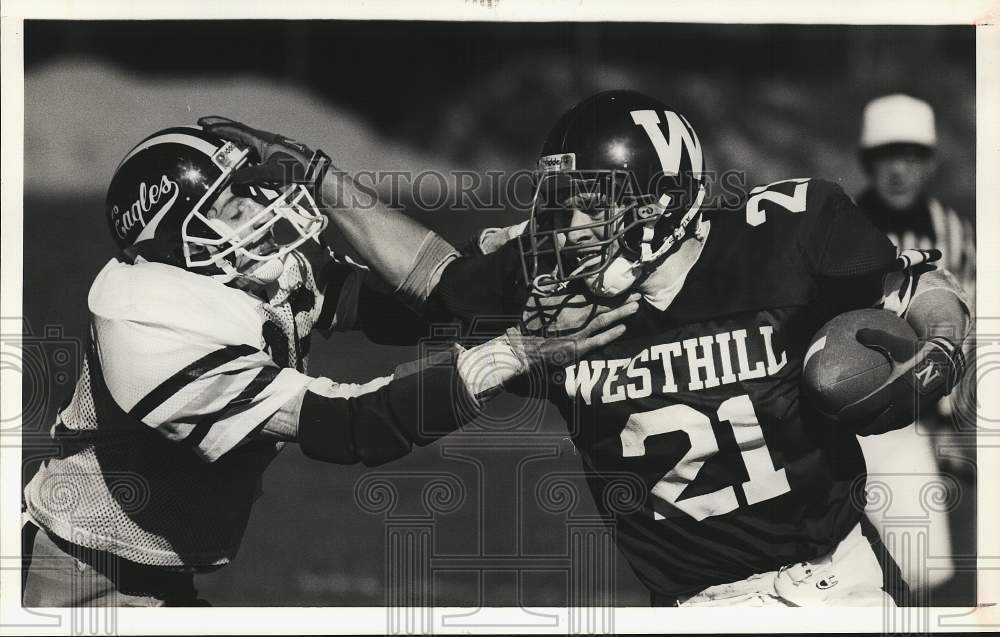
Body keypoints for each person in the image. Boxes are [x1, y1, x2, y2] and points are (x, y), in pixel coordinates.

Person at [222, 90, 971, 607]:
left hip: (834, 588)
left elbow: (924, 287)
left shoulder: (784, 237)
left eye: (591, 204)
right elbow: (432, 279)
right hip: (690, 604)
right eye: (560, 206)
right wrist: (318, 181)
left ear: (661, 198)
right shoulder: (557, 300)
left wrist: (940, 346)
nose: (570, 228)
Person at [21, 126, 634, 607]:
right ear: (176, 237)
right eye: (231, 204)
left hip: (148, 572)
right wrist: (514, 353)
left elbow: (418, 305)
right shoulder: (152, 323)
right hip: (75, 576)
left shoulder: (243, 268)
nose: (258, 207)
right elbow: (349, 426)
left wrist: (521, 262)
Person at [853, 93, 977, 595]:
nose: (898, 170)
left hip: (923, 417)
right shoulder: (842, 226)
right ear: (867, 163)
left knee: (922, 570)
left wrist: (956, 416)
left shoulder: (955, 232)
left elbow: (975, 323)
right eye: (886, 156)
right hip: (852, 411)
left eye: (911, 156)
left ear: (929, 163)